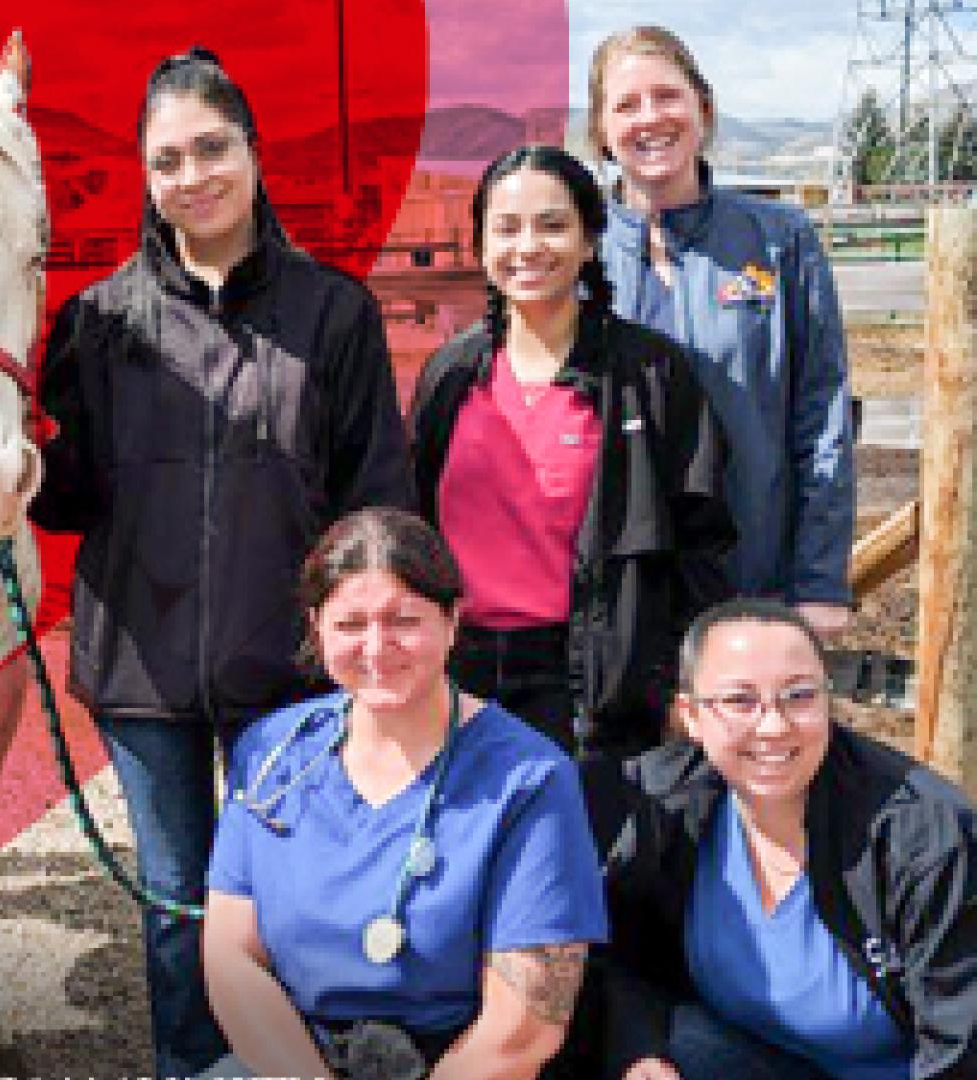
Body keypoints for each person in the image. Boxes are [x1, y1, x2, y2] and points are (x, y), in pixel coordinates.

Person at [30, 46, 415, 1077]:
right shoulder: (97, 322)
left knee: (285, 910)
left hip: (286, 674)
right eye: (168, 161)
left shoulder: (332, 312)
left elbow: (375, 491)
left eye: (213, 149)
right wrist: (17, 463)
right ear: (146, 179)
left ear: (253, 153)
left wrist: (371, 639)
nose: (192, 177)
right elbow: (68, 505)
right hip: (143, 672)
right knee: (176, 907)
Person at [201, 508, 608, 1080]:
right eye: (350, 625)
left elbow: (524, 1029)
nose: (377, 647)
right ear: (316, 627)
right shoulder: (272, 752)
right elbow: (230, 959)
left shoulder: (530, 779)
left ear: (452, 620)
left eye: (404, 620)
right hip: (294, 1058)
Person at [410, 145, 734, 759]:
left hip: (594, 686)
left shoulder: (649, 374)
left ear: (589, 241)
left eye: (552, 225)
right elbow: (416, 520)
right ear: (480, 247)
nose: (528, 246)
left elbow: (700, 543)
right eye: (506, 228)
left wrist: (690, 678)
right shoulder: (449, 376)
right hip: (460, 677)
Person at [579, 599, 977, 1079]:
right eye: (740, 700)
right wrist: (639, 1049)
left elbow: (961, 1045)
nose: (773, 726)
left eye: (800, 695)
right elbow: (617, 959)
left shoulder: (925, 835)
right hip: (744, 1057)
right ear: (691, 716)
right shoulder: (660, 803)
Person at [591, 27, 855, 638]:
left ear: (702, 110)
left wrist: (818, 580)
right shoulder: (580, 250)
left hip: (752, 580)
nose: (650, 118)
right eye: (626, 105)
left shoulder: (779, 240)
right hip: (618, 600)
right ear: (602, 133)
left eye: (667, 96)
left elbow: (822, 416)